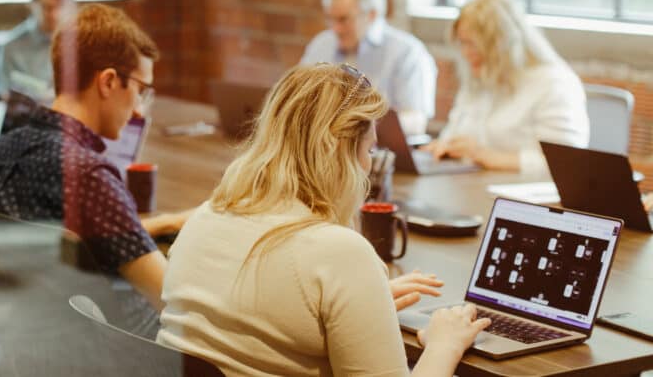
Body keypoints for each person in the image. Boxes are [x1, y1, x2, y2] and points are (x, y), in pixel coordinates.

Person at [157, 63, 491, 377]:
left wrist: (361, 303)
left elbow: (263, 311)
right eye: (369, 151)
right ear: (338, 151)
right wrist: (445, 342)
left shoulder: (205, 217)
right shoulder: (341, 254)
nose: (367, 166)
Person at [0, 3, 189, 310]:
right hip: (115, 345)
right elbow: (168, 300)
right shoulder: (88, 175)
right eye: (141, 90)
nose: (139, 110)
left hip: (26, 339)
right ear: (108, 82)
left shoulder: (4, 149)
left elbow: (79, 239)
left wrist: (166, 221)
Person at [425, 0, 589, 172]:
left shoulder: (554, 83)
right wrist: (445, 146)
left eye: (473, 44)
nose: (466, 52)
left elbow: (567, 164)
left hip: (521, 194)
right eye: (463, 43)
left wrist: (485, 156)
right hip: (472, 185)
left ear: (503, 44)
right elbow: (453, 132)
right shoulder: (480, 78)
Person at [300, 0, 437, 135]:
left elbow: (416, 122)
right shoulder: (321, 44)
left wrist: (360, 125)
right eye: (330, 18)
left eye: (344, 19)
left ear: (371, 14)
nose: (335, 28)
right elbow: (300, 102)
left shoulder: (407, 52)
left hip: (380, 153)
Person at [0, 0, 76, 100]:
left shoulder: (82, 44)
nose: (54, 15)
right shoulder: (11, 48)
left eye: (60, 6)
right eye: (47, 7)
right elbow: (7, 97)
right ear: (32, 4)